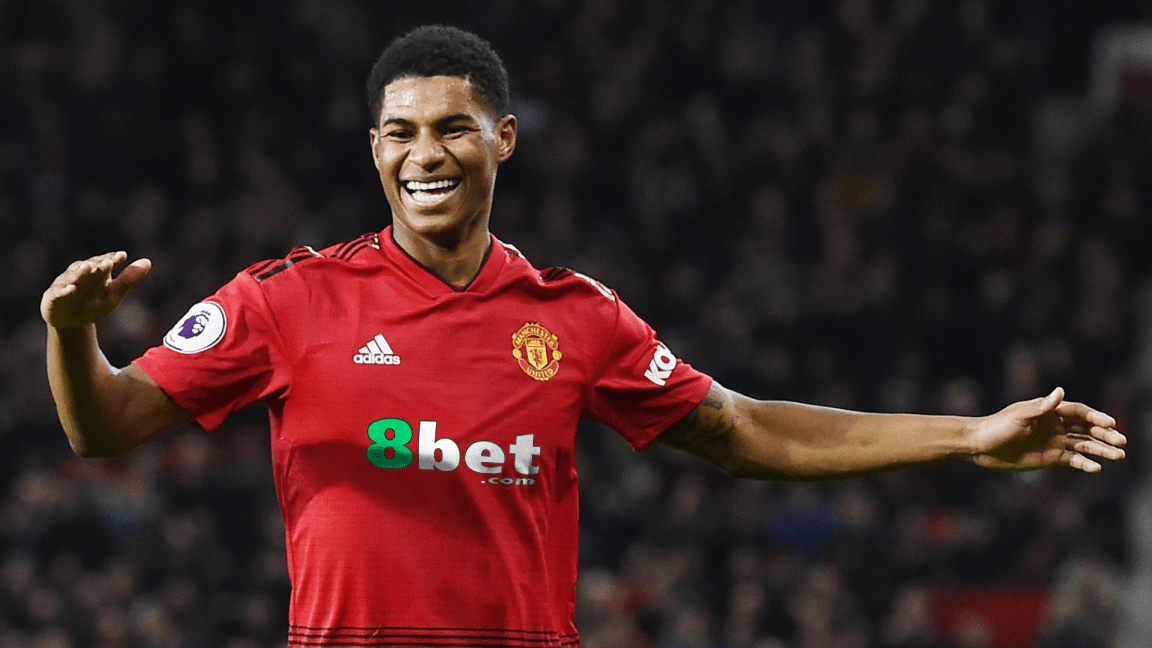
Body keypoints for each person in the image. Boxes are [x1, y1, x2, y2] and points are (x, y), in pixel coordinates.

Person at [40, 24, 1125, 647]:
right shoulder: (290, 301)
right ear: (374, 149)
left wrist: (969, 436)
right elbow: (107, 427)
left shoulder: (575, 318)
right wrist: (72, 340)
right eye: (402, 133)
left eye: (454, 127)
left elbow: (746, 431)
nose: (427, 153)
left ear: (503, 139)